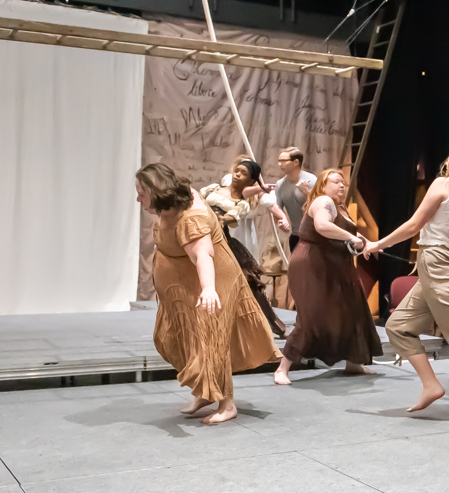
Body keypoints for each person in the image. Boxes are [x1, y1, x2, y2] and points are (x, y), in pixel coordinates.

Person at [364, 143, 449, 419]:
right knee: (398, 326)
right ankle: (431, 385)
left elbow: (414, 225)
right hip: (444, 266)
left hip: (439, 264)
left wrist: (378, 244)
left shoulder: (445, 184)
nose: (446, 161)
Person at [135, 162, 279, 424]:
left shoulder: (191, 218)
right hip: (186, 285)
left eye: (141, 193)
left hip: (210, 280)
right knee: (191, 339)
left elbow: (203, 255)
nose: (138, 199)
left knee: (211, 339)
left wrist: (209, 289)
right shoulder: (173, 203)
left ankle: (227, 404)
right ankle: (205, 392)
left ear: (156, 191)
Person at [274, 169, 382, 384]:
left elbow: (343, 231)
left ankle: (354, 361)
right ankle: (282, 369)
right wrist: (351, 237)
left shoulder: (339, 206)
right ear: (323, 185)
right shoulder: (324, 201)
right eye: (336, 182)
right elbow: (322, 226)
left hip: (336, 264)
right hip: (314, 263)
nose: (341, 185)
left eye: (343, 182)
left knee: (351, 310)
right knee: (312, 316)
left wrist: (364, 242)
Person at [201, 158, 289, 336]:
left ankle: (268, 319)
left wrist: (282, 217)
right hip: (201, 238)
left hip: (223, 243)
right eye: (237, 171)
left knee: (247, 281)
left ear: (251, 180)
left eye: (243, 173)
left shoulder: (242, 203)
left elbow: (232, 218)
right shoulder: (212, 189)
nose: (237, 175)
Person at [274, 146, 318, 252]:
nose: (280, 164)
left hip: (315, 236)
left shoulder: (311, 180)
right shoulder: (280, 185)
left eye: (284, 161)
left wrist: (306, 192)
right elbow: (276, 209)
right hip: (296, 235)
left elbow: (320, 207)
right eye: (279, 161)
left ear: (296, 162)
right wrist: (281, 221)